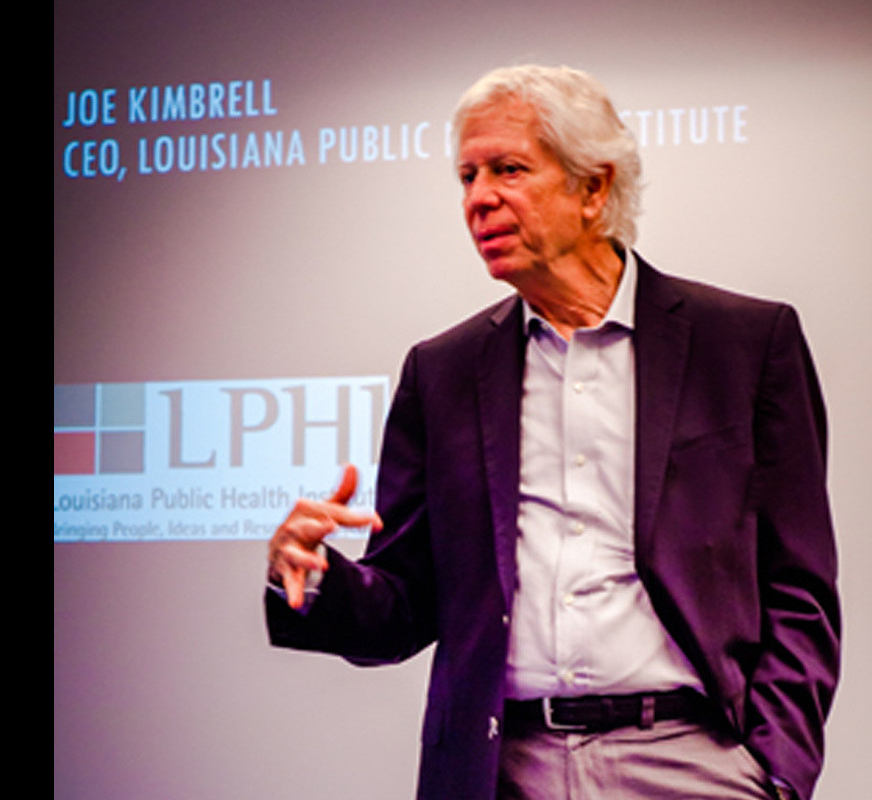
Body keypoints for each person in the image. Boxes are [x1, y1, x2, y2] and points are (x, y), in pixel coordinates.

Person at [264, 64, 840, 800]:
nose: (479, 199)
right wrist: (316, 585)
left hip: (692, 759)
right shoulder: (441, 373)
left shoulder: (747, 343)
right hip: (505, 768)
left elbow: (800, 586)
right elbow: (405, 605)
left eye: (508, 169)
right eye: (467, 176)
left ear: (593, 189)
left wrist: (779, 768)